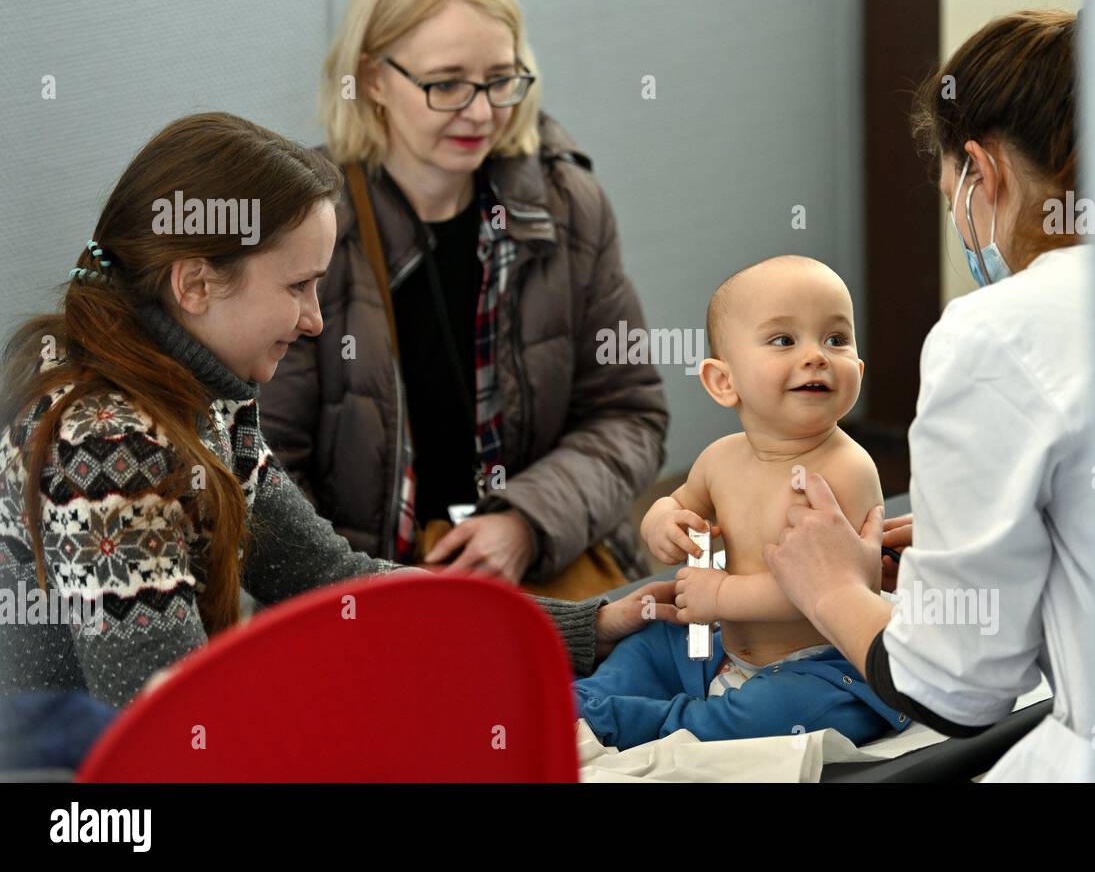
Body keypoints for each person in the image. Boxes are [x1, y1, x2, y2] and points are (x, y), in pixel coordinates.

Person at [0, 112, 676, 712]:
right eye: (298, 286)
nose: (316, 320)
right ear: (197, 283)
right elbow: (169, 719)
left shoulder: (205, 399)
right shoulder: (106, 443)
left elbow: (332, 580)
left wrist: (587, 626)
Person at [258, 0, 667, 596]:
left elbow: (630, 415)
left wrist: (527, 522)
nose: (480, 112)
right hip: (365, 595)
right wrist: (361, 594)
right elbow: (267, 463)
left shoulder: (568, 206)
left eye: (500, 80)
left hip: (545, 572)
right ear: (371, 80)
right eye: (446, 83)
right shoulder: (307, 228)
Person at [762, 10, 1095, 781]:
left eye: (950, 189)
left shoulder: (995, 334)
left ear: (983, 173)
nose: (814, 362)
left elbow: (953, 689)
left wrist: (831, 587)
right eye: (779, 340)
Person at [573, 256, 909, 750]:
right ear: (722, 382)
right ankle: (587, 700)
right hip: (718, 648)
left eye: (836, 339)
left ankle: (658, 724)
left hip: (822, 663)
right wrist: (663, 522)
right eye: (784, 340)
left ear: (857, 370)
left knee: (793, 713)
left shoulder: (844, 470)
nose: (817, 356)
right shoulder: (720, 459)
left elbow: (831, 586)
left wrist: (721, 597)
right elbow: (674, 501)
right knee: (648, 642)